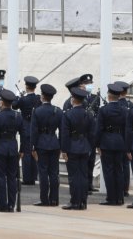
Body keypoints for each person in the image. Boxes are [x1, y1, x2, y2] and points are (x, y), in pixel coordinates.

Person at [60, 82, 96, 210]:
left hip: (72, 147)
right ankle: (83, 201)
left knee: (74, 176)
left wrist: (64, 150)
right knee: (84, 175)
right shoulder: (89, 114)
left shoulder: (68, 115)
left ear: (73, 99)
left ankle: (75, 201)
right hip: (85, 147)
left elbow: (64, 134)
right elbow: (92, 134)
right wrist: (90, 147)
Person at [0, 87, 25, 212]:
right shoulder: (18, 116)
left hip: (1, 149)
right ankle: (11, 204)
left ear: (2, 102)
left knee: (1, 177)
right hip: (13, 148)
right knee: (12, 177)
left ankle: (2, 204)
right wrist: (22, 150)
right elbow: (24, 134)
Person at [96, 82, 130, 206]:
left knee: (109, 171)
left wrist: (97, 144)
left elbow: (99, 129)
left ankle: (111, 198)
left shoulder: (103, 110)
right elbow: (127, 129)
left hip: (107, 143)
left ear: (109, 95)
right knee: (119, 170)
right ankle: (120, 197)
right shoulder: (124, 110)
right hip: (120, 142)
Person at [32, 83, 63, 207]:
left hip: (41, 143)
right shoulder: (58, 111)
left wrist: (33, 147)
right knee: (54, 173)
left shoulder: (37, 111)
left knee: (43, 172)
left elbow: (33, 131)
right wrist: (61, 145)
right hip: (54, 143)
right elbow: (62, 130)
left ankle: (44, 199)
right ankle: (54, 199)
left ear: (43, 96)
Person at [17, 76, 41, 186]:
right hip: (36, 128)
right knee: (34, 152)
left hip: (26, 127)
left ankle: (27, 178)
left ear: (26, 86)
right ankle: (34, 175)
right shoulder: (38, 98)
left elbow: (14, 105)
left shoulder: (23, 99)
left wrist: (18, 96)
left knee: (26, 153)